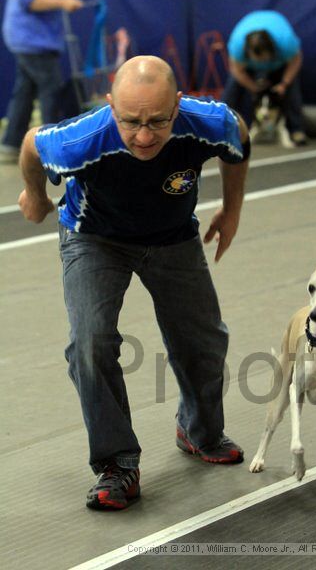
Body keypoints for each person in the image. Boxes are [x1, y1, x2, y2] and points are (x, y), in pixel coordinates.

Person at [18, 55, 250, 511]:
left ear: (178, 105)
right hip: (94, 239)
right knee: (90, 342)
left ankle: (199, 431)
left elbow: (238, 138)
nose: (144, 136)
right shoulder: (81, 140)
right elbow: (31, 144)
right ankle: (117, 463)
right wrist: (36, 193)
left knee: (202, 340)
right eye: (130, 122)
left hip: (173, 236)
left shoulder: (207, 122)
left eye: (158, 121)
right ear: (110, 107)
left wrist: (233, 208)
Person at [0, 0, 84, 162]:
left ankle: (11, 145)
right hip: (32, 41)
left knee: (25, 91)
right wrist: (63, 2)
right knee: (51, 90)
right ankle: (51, 149)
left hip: (33, 39)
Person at [222, 10, 307, 146]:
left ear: (271, 50)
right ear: (248, 52)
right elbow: (236, 70)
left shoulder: (285, 42)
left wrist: (284, 83)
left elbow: (295, 61)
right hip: (247, 65)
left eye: (263, 59)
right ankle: (221, 130)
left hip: (279, 65)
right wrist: (252, 86)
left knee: (292, 91)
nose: (261, 65)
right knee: (231, 92)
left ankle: (296, 130)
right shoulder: (237, 45)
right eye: (257, 60)